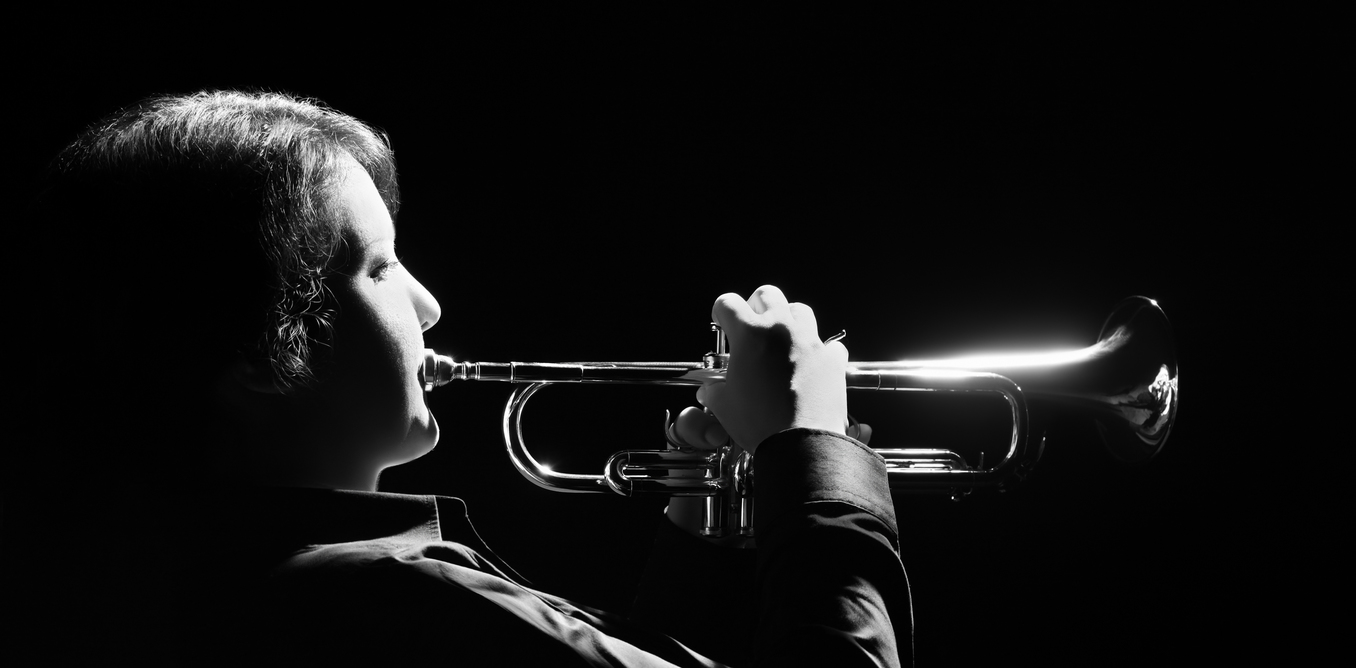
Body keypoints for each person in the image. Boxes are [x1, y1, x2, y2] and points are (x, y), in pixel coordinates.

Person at [8, 91, 910, 666]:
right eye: (379, 268)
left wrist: (703, 538)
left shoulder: (166, 587)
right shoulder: (385, 598)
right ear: (253, 349)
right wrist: (812, 453)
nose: (430, 305)